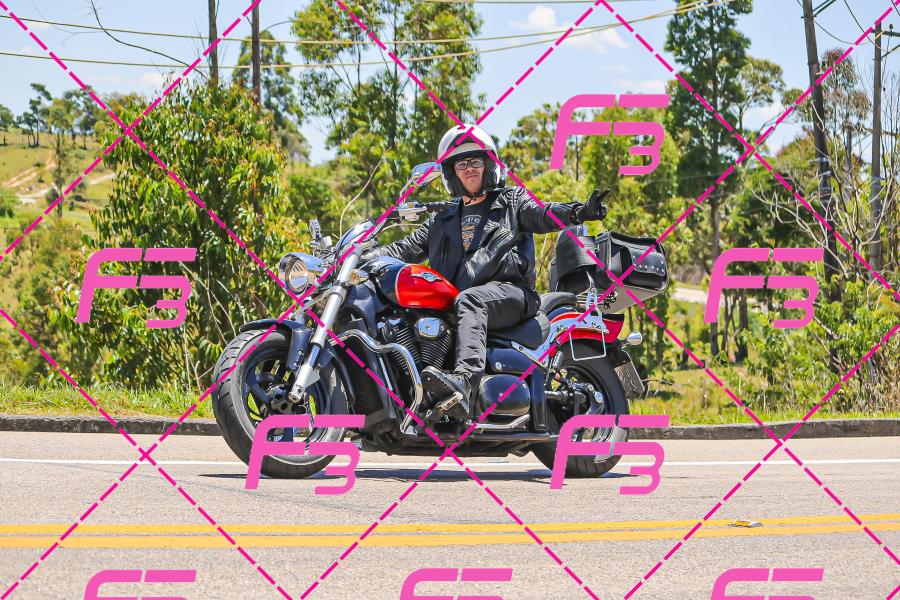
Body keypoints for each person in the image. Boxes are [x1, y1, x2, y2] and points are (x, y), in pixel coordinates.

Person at [366, 124, 607, 420]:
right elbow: (403, 248)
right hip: (459, 298)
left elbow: (543, 214)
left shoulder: (511, 202)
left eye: (475, 161)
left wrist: (577, 212)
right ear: (452, 172)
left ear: (488, 166)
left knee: (471, 300)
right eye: (461, 163)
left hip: (511, 293)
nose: (469, 168)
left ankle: (463, 385)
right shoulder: (442, 218)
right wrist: (360, 255)